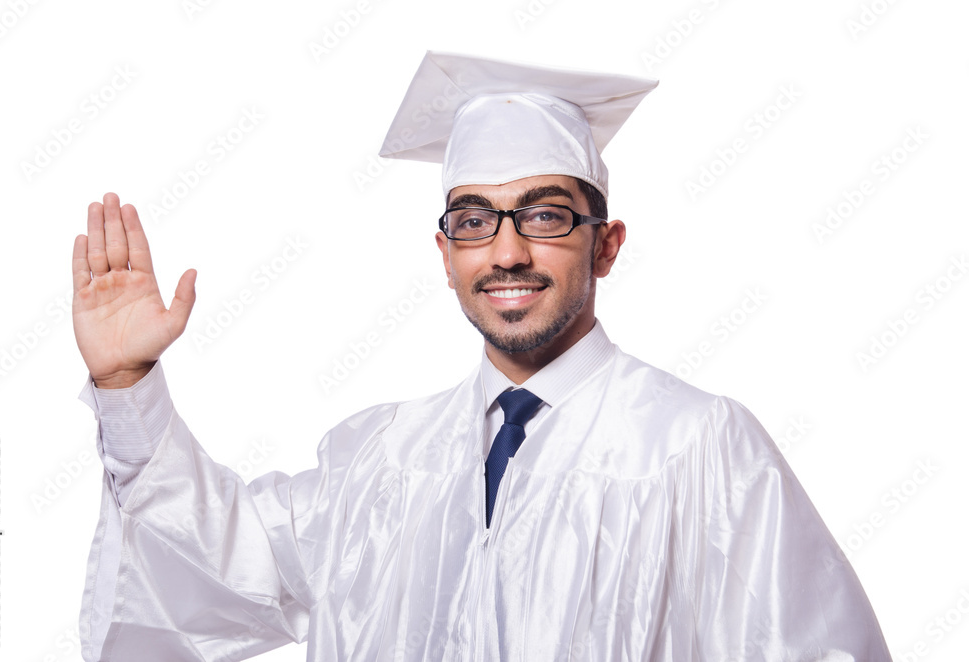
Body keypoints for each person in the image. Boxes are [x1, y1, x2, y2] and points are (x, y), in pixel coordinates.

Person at [74, 52, 891, 661]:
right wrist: (127, 384)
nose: (506, 252)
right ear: (444, 253)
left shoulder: (696, 446)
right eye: (473, 220)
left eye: (544, 216)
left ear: (606, 246)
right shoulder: (378, 461)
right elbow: (215, 567)